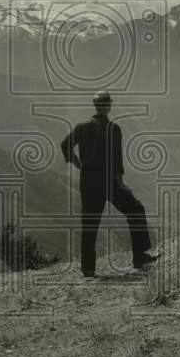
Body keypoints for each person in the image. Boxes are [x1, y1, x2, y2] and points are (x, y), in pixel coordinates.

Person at [60, 91, 158, 278]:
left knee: (89, 222)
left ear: (95, 105)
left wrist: (78, 164)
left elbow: (65, 145)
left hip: (88, 181)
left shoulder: (81, 127)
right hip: (109, 180)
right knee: (135, 209)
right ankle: (140, 257)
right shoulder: (114, 129)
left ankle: (88, 269)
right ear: (109, 106)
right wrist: (121, 182)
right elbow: (117, 160)